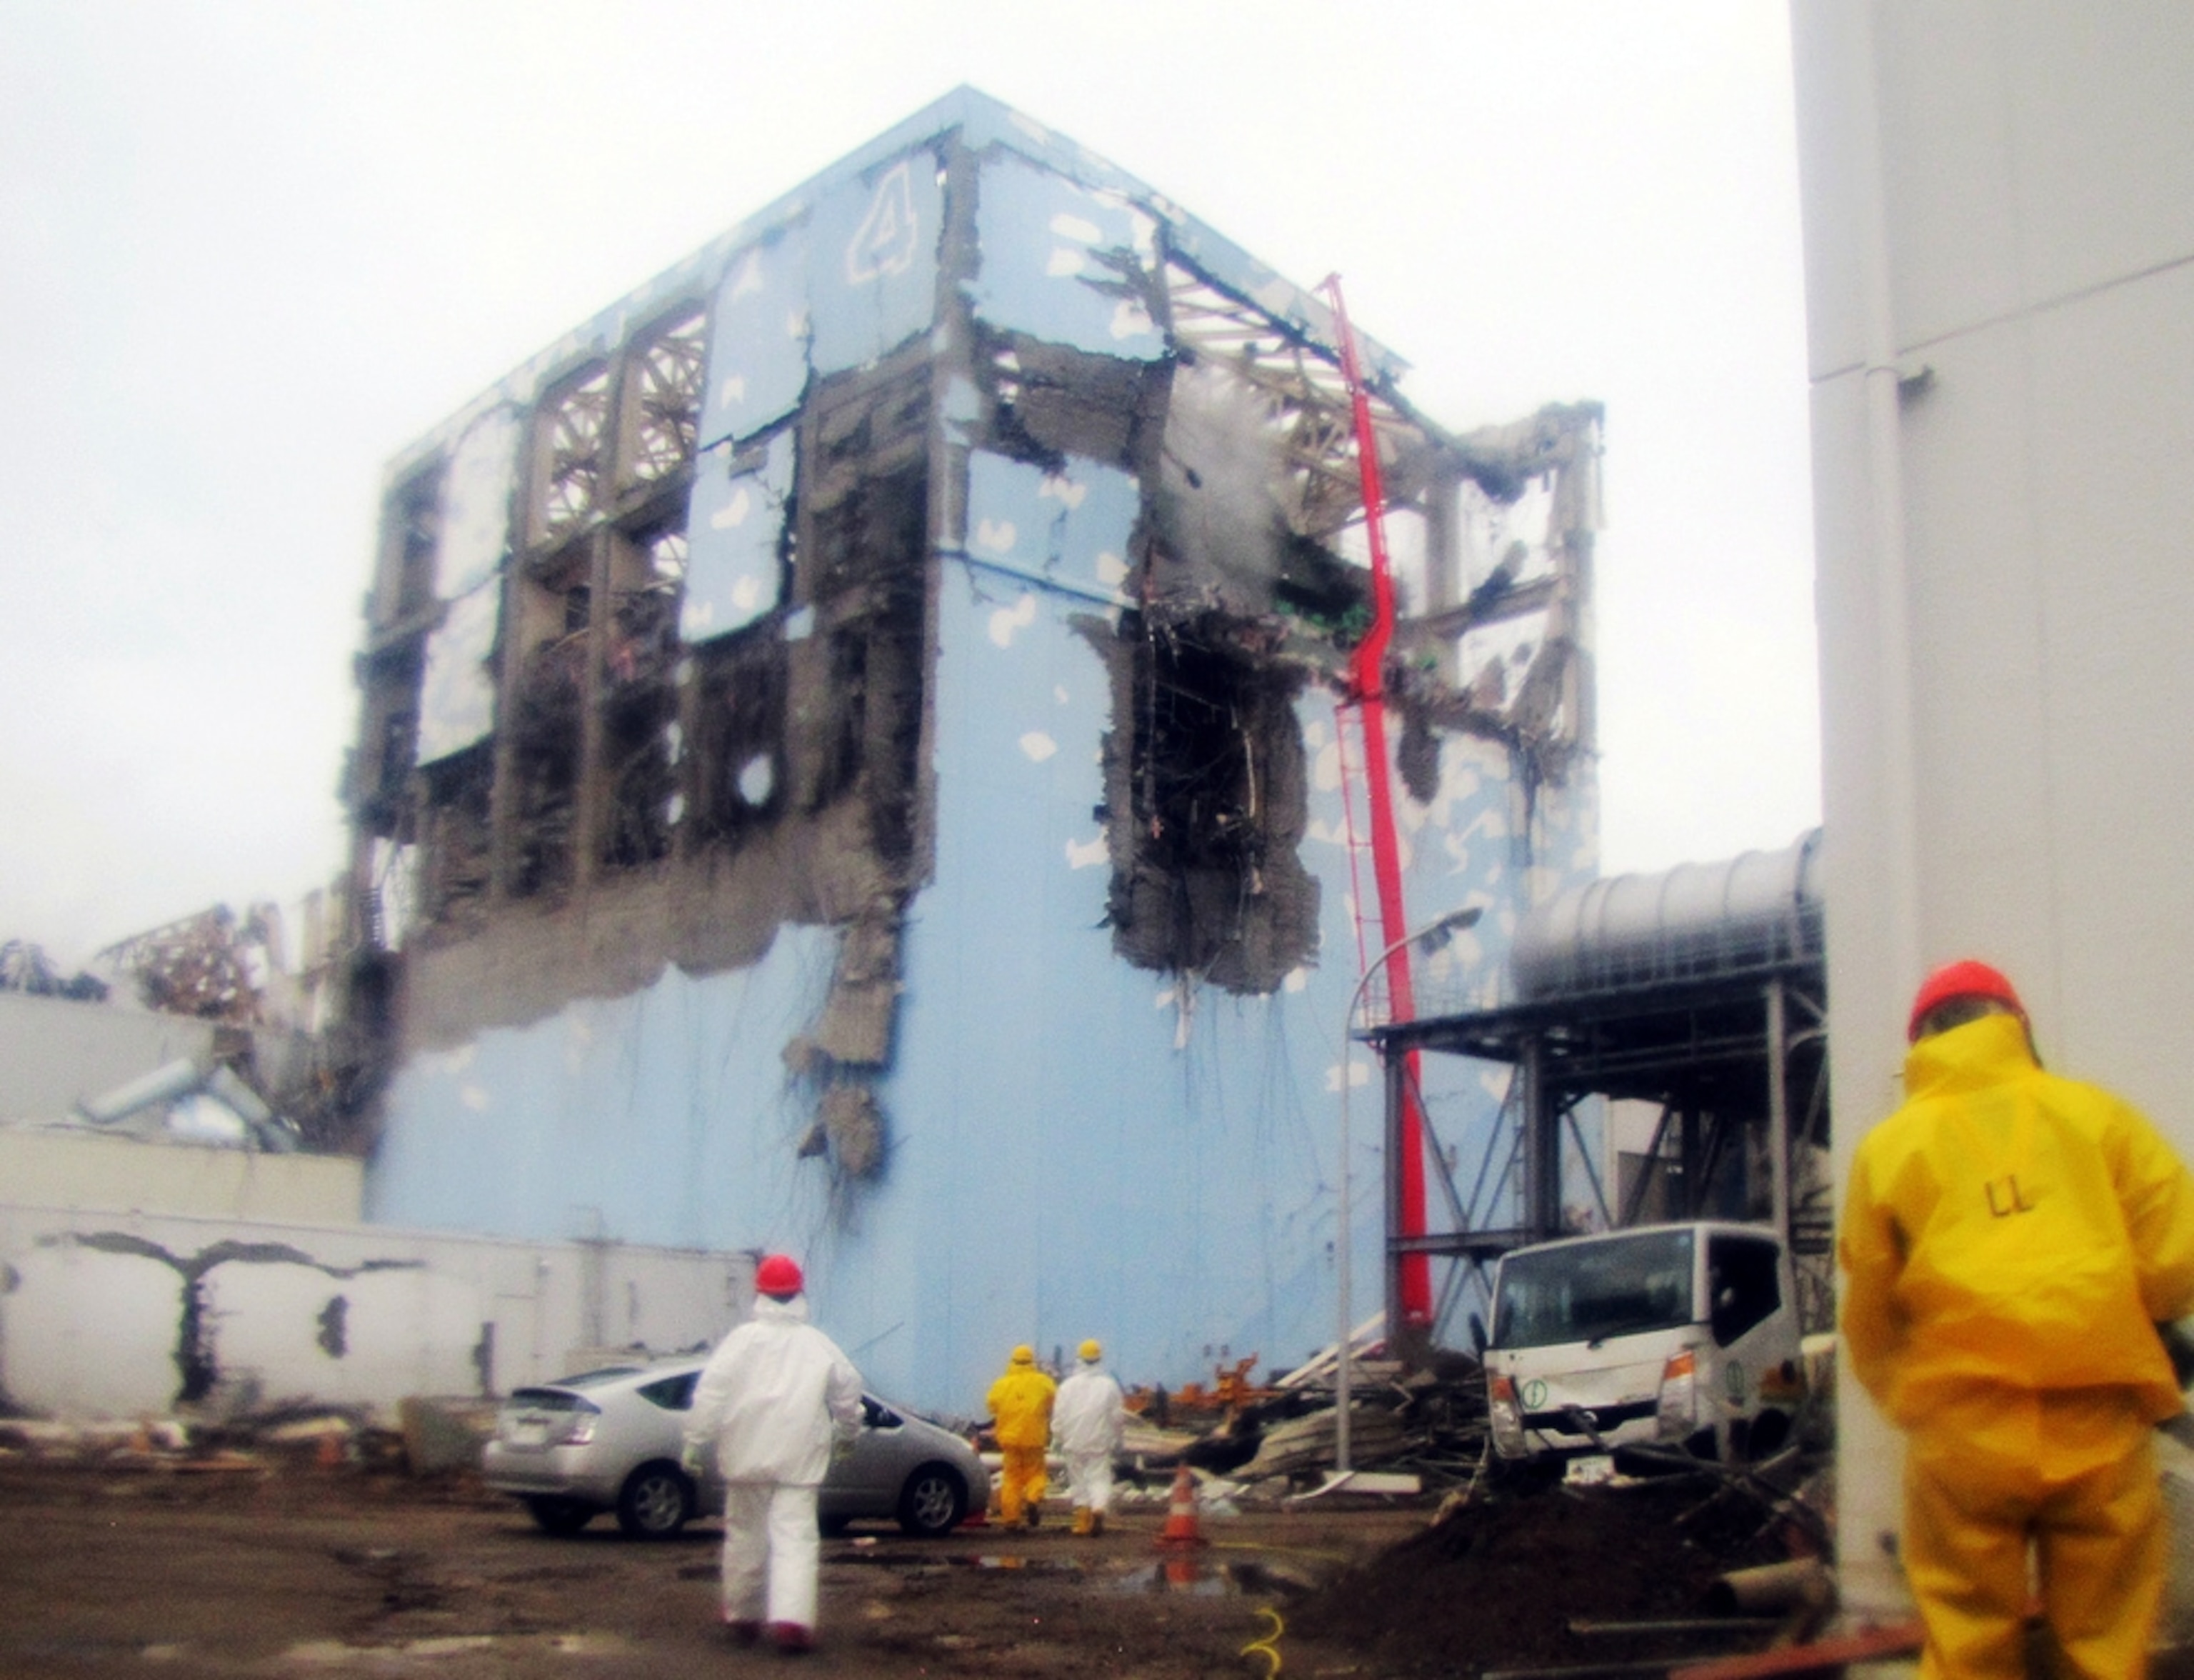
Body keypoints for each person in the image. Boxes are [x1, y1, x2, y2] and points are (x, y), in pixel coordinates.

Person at [1839, 959, 2194, 1680]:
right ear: (2015, 1026)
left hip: (1963, 1431)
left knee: (1967, 1646)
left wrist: (1916, 1403)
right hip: (2100, 1418)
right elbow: (2176, 1259)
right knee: (2106, 1643)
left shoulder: (1890, 1149)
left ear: (1921, 1043)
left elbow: (1871, 1318)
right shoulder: (2098, 1117)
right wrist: (2125, 1321)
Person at [683, 1254, 862, 1656]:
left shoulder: (740, 1342)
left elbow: (711, 1392)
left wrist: (696, 1439)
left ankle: (742, 1614)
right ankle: (791, 1622)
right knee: (795, 1538)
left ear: (760, 1294)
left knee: (745, 1536)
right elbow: (848, 1390)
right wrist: (847, 1432)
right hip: (799, 1460)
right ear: (799, 1293)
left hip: (745, 1456)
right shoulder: (816, 1344)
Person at [1053, 1339, 1128, 1536]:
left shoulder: (1067, 1387)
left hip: (1073, 1441)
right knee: (1099, 1479)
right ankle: (1099, 1508)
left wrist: (1058, 1437)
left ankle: (1082, 1523)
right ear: (1099, 1359)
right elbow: (1117, 1417)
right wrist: (1118, 1439)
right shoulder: (1109, 1386)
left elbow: (1059, 1416)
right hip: (1099, 1442)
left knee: (1078, 1483)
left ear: (1079, 1359)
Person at [986, 1344, 1056, 1529]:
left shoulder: (1002, 1384)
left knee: (1011, 1479)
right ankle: (1033, 1498)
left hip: (1010, 1440)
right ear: (1032, 1361)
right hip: (1034, 1439)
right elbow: (1053, 1401)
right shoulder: (1043, 1381)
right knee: (1037, 1474)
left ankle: (1011, 1519)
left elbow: (991, 1405)